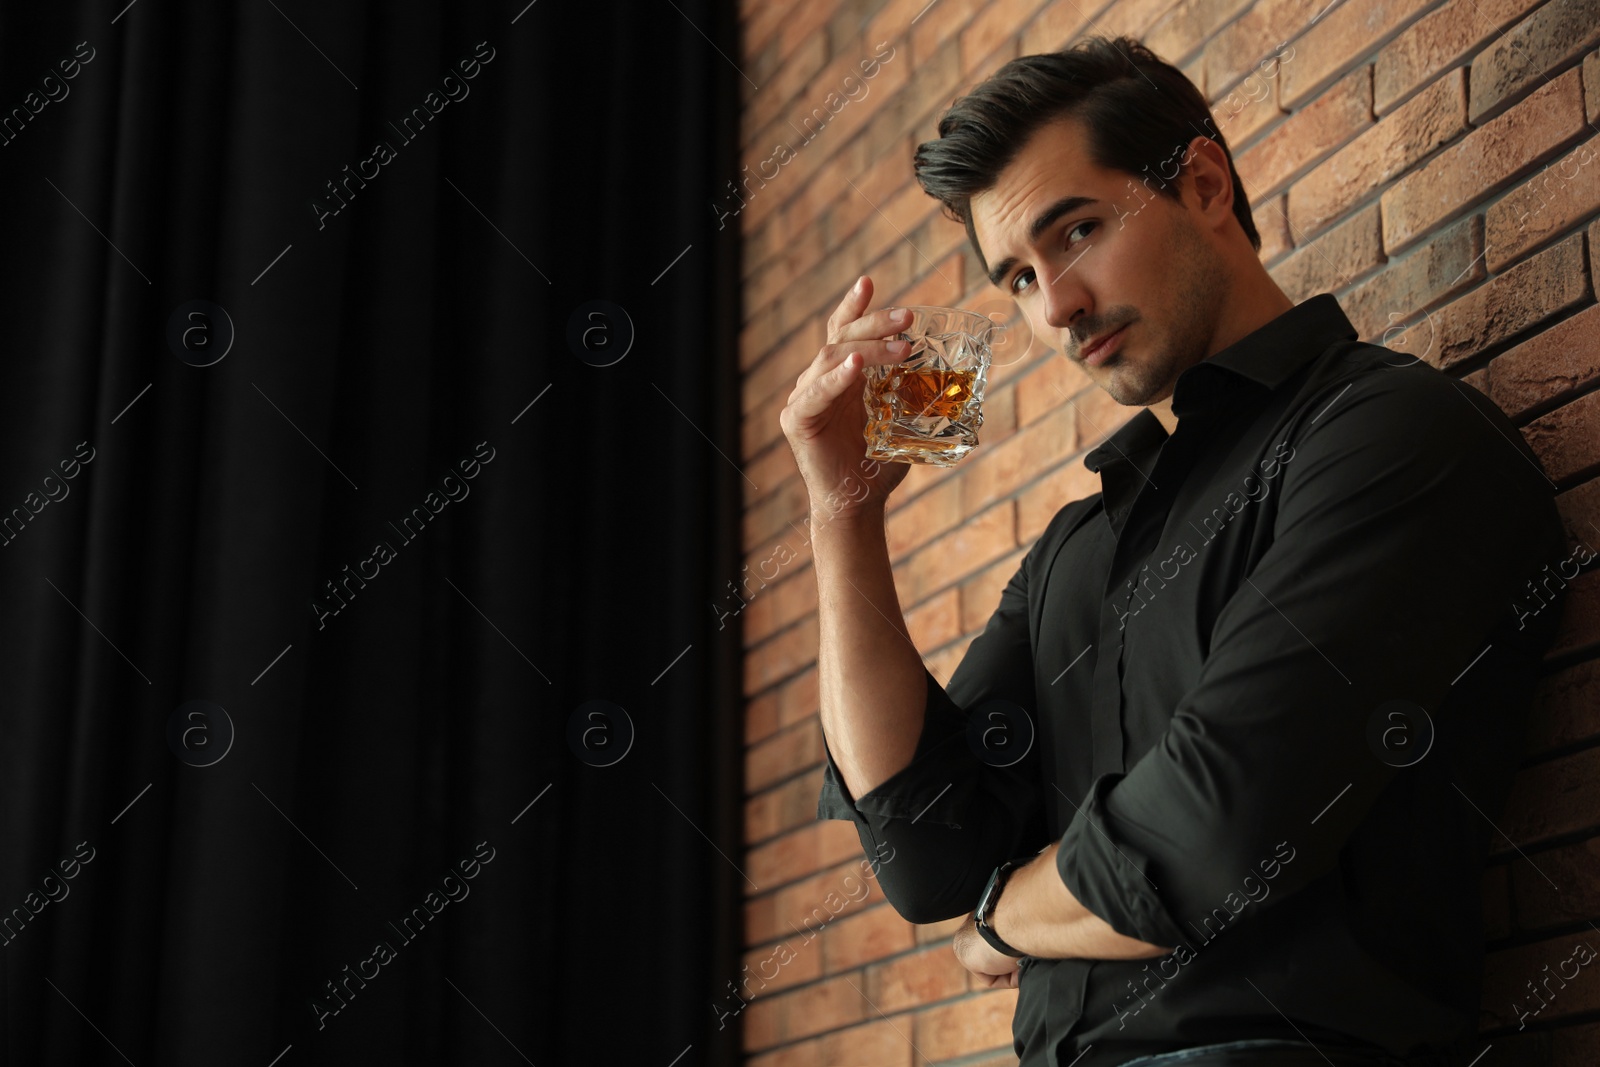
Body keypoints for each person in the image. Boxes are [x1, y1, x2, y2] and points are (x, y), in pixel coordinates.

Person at [779, 34, 1569, 1067]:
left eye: (1076, 232)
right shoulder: (1077, 546)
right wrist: (841, 512)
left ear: (1202, 183)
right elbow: (927, 849)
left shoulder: (1389, 433)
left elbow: (1211, 837)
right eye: (1016, 277)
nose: (1054, 307)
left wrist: (1002, 919)